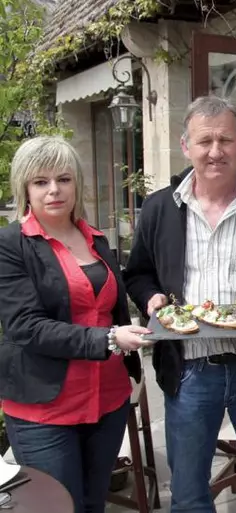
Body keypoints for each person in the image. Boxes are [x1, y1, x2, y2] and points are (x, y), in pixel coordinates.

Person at [124, 96, 236, 512]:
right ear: (185, 145)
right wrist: (150, 298)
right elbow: (137, 274)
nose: (215, 150)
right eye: (204, 140)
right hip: (189, 371)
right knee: (188, 495)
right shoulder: (158, 209)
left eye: (225, 139)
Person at [0, 136, 151, 513]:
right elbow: (26, 326)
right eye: (41, 181)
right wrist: (110, 338)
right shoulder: (11, 245)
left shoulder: (96, 239)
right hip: (44, 407)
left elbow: (109, 305)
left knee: (93, 504)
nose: (54, 190)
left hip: (108, 400)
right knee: (56, 507)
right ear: (25, 188)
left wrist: (153, 302)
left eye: (64, 179)